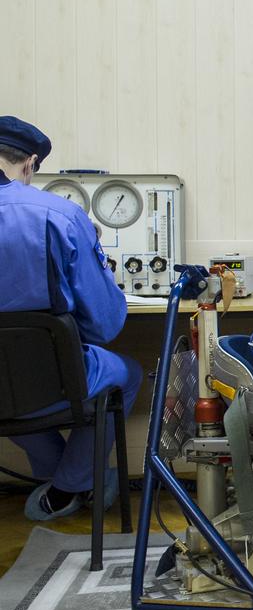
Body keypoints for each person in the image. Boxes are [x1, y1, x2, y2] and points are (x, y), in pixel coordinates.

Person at [0, 116, 143, 521]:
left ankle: (59, 479)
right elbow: (105, 325)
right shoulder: (58, 214)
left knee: (9, 389)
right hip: (51, 377)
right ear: (29, 164)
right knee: (126, 374)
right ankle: (68, 486)